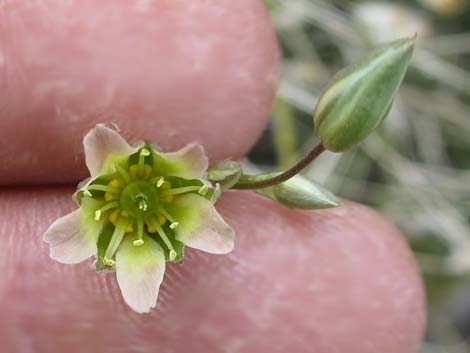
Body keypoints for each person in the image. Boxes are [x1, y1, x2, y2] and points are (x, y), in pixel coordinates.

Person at [0, 1, 425, 352]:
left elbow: (210, 215)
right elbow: (113, 160)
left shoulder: (165, 178)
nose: (139, 201)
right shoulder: (115, 157)